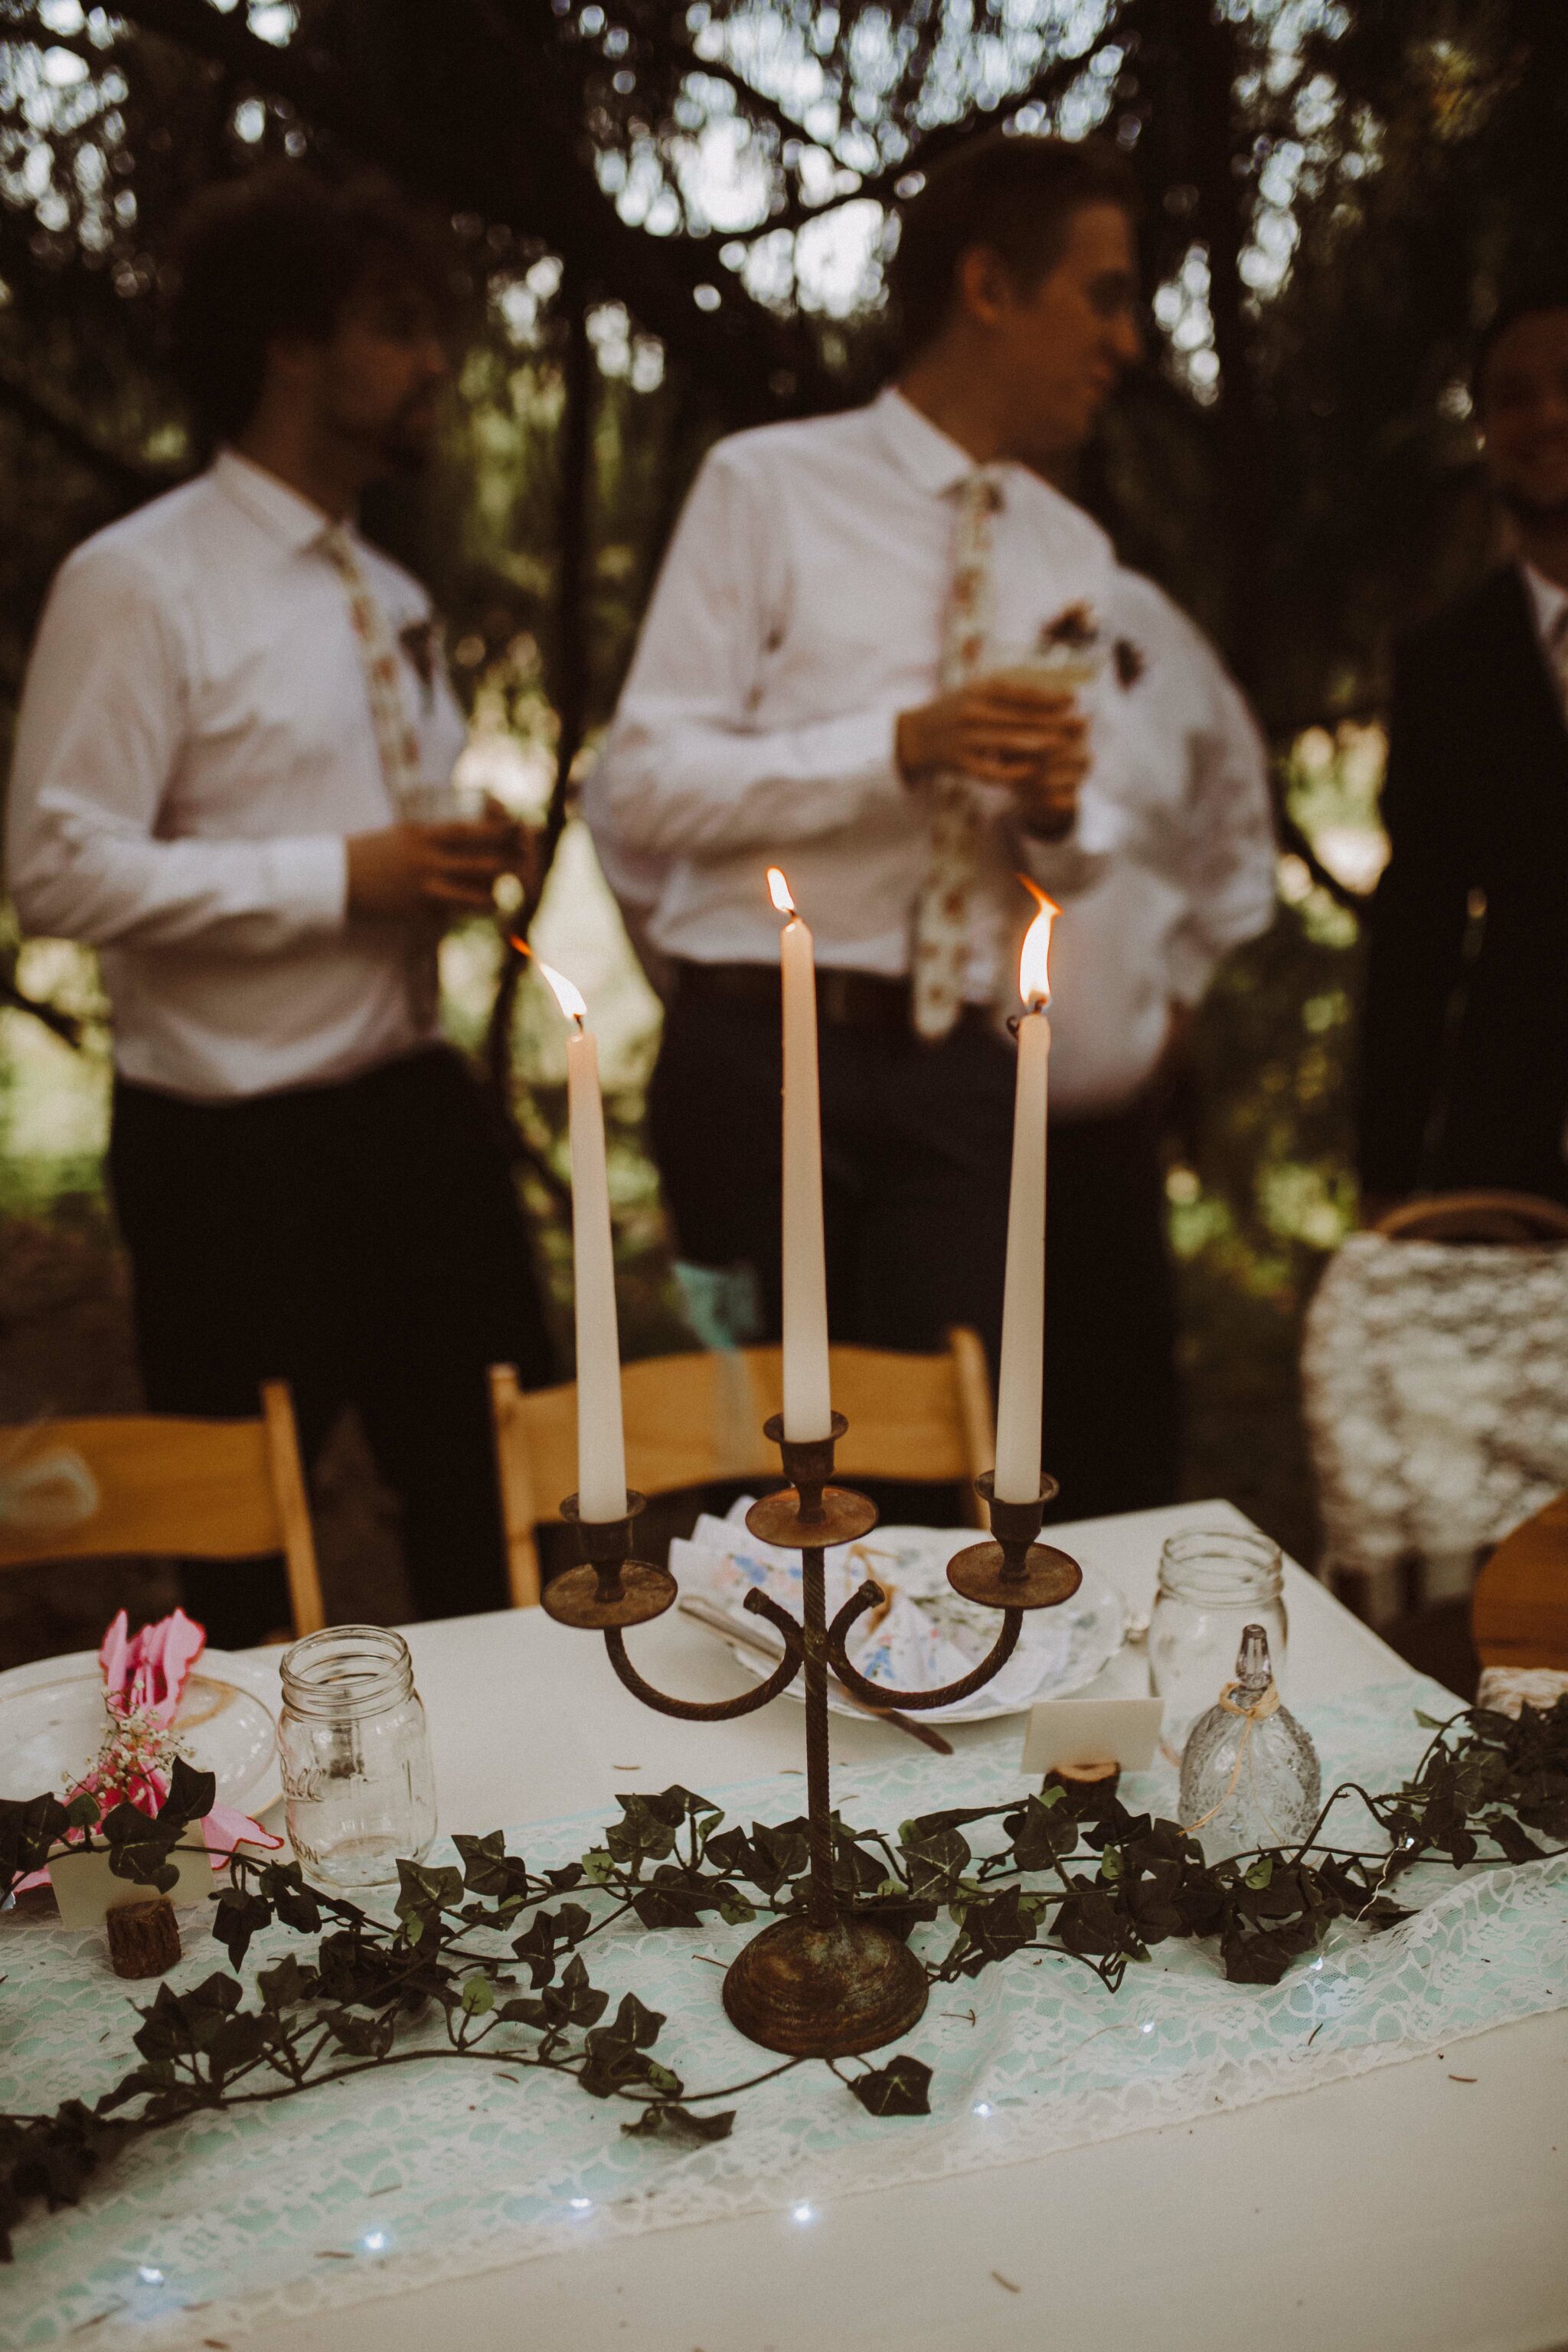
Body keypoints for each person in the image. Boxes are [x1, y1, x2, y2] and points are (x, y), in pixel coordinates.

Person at [586, 133, 1275, 1521]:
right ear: (987, 286)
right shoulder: (763, 487)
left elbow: (1068, 865)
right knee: (764, 1499)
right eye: (1103, 295)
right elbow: (647, 778)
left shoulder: (1068, 554)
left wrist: (1058, 810)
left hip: (959, 1082)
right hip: (752, 1068)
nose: (1125, 343)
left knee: (939, 1485)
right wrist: (899, 746)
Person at [6, 168, 554, 1643]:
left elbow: (359, 822)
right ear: (284, 345)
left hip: (417, 1118)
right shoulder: (138, 582)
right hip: (229, 1161)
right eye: (394, 324)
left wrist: (442, 859)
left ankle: (536, 1839)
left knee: (516, 1510)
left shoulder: (386, 584)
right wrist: (343, 876)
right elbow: (54, 864)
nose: (435, 361)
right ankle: (265, 1863)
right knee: (244, 1564)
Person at [1358, 283, 1568, 1214]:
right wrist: (1386, 1188)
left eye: (1567, 383)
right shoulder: (1444, 663)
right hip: (1514, 1163)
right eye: (1513, 396)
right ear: (1485, 428)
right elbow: (1414, 940)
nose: (1546, 415)